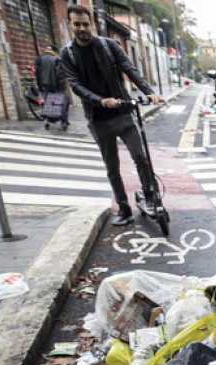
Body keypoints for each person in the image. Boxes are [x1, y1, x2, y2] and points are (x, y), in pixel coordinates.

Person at [58, 5, 164, 225]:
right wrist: (100, 101)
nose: (81, 28)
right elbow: (75, 85)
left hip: (123, 114)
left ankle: (151, 197)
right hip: (98, 120)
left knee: (141, 158)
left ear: (93, 24)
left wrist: (149, 91)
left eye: (85, 24)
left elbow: (129, 67)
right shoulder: (67, 54)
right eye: (76, 24)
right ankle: (124, 209)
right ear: (70, 25)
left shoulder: (109, 46)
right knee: (112, 168)